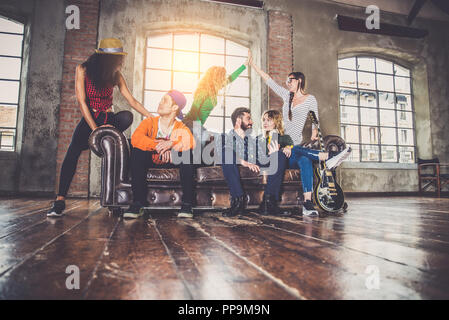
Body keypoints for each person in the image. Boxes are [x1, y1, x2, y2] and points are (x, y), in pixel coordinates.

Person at [48, 38, 152, 217]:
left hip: (108, 119)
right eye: (118, 59)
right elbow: (82, 103)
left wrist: (152, 117)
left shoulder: (116, 75)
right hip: (91, 118)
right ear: (106, 58)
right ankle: (59, 200)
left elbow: (131, 101)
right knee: (72, 152)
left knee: (127, 115)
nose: (120, 62)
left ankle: (110, 145)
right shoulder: (83, 69)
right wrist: (95, 130)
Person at [249, 51, 351, 216]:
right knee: (297, 152)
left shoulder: (310, 99)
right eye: (287, 81)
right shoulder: (286, 96)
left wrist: (314, 133)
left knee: (304, 160)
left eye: (291, 80)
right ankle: (325, 156)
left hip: (294, 148)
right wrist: (253, 64)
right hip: (283, 146)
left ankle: (308, 203)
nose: (288, 83)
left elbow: (314, 119)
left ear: (299, 81)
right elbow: (269, 80)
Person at [124, 90, 196, 219]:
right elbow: (136, 138)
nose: (160, 102)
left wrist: (171, 144)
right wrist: (159, 146)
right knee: (137, 151)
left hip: (171, 160)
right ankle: (138, 203)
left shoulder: (181, 127)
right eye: (161, 99)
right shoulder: (149, 122)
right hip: (151, 158)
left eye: (165, 100)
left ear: (175, 107)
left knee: (187, 154)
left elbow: (189, 141)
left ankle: (187, 204)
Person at [219, 107, 289, 217]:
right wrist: (244, 162)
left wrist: (273, 153)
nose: (252, 122)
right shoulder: (225, 137)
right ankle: (238, 201)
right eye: (248, 119)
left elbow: (263, 157)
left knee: (279, 155)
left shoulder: (253, 139)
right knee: (226, 153)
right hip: (236, 163)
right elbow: (222, 153)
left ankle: (268, 202)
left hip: (256, 163)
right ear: (238, 120)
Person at [183, 62, 248, 131]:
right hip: (189, 124)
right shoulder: (203, 91)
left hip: (196, 125)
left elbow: (231, 78)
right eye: (222, 77)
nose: (224, 79)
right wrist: (199, 128)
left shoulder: (214, 90)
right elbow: (194, 111)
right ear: (216, 78)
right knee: (208, 139)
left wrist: (245, 65)